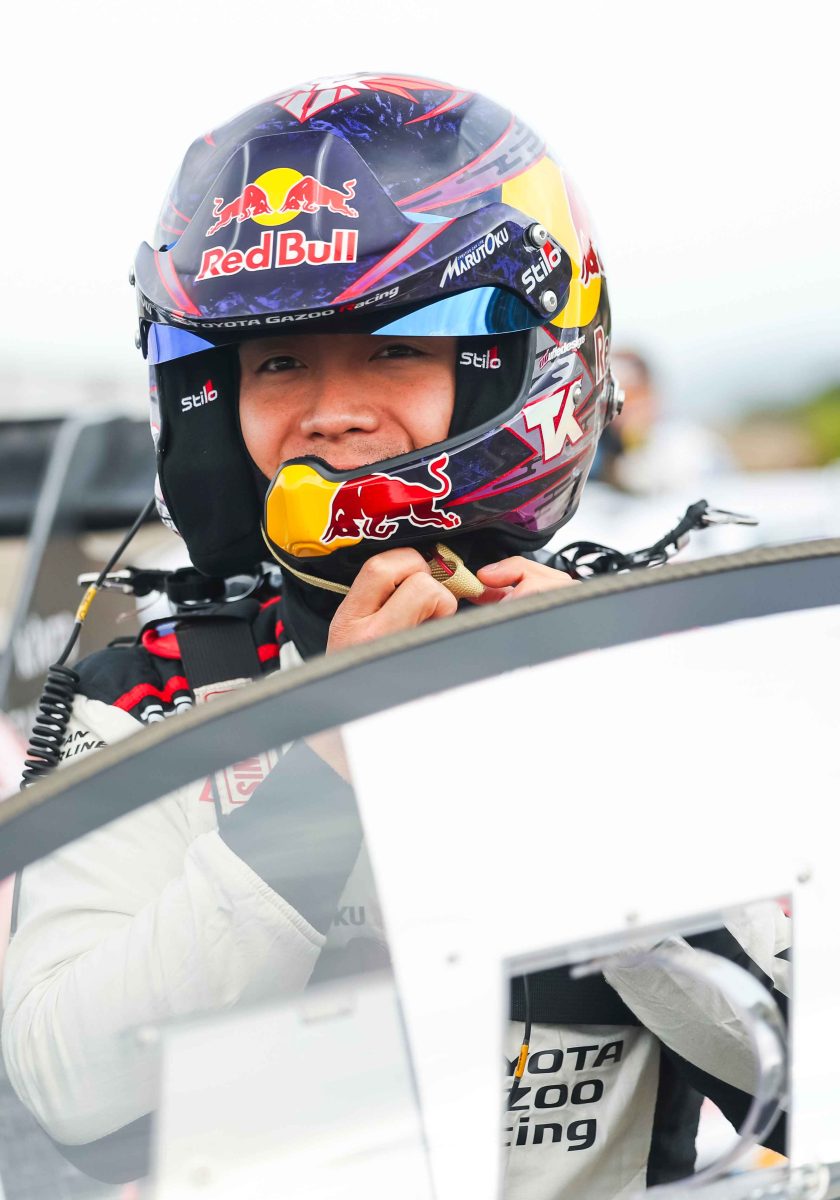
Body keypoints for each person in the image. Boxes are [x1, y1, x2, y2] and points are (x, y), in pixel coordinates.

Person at [1, 74, 787, 1197]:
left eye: (394, 348)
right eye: (279, 363)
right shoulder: (146, 695)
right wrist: (332, 748)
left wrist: (589, 760)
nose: (332, 412)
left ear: (511, 366)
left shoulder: (656, 671)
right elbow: (72, 1095)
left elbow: (802, 1071)